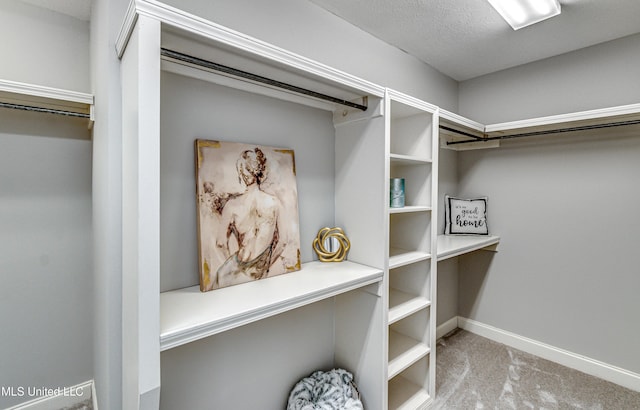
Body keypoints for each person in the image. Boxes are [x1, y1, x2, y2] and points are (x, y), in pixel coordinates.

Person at [213, 147, 284, 288]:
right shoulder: (274, 203)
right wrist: (265, 265)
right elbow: (283, 242)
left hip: (236, 269)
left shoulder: (232, 205)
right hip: (256, 269)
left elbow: (220, 243)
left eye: (242, 170)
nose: (243, 173)